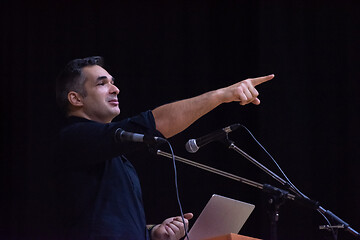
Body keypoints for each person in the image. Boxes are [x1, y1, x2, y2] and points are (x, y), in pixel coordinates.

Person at [54, 56, 274, 240]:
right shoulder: (74, 136)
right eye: (102, 84)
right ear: (75, 98)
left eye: (113, 82)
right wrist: (222, 95)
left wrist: (152, 232)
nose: (116, 89)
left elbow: (108, 222)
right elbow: (156, 123)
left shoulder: (111, 155)